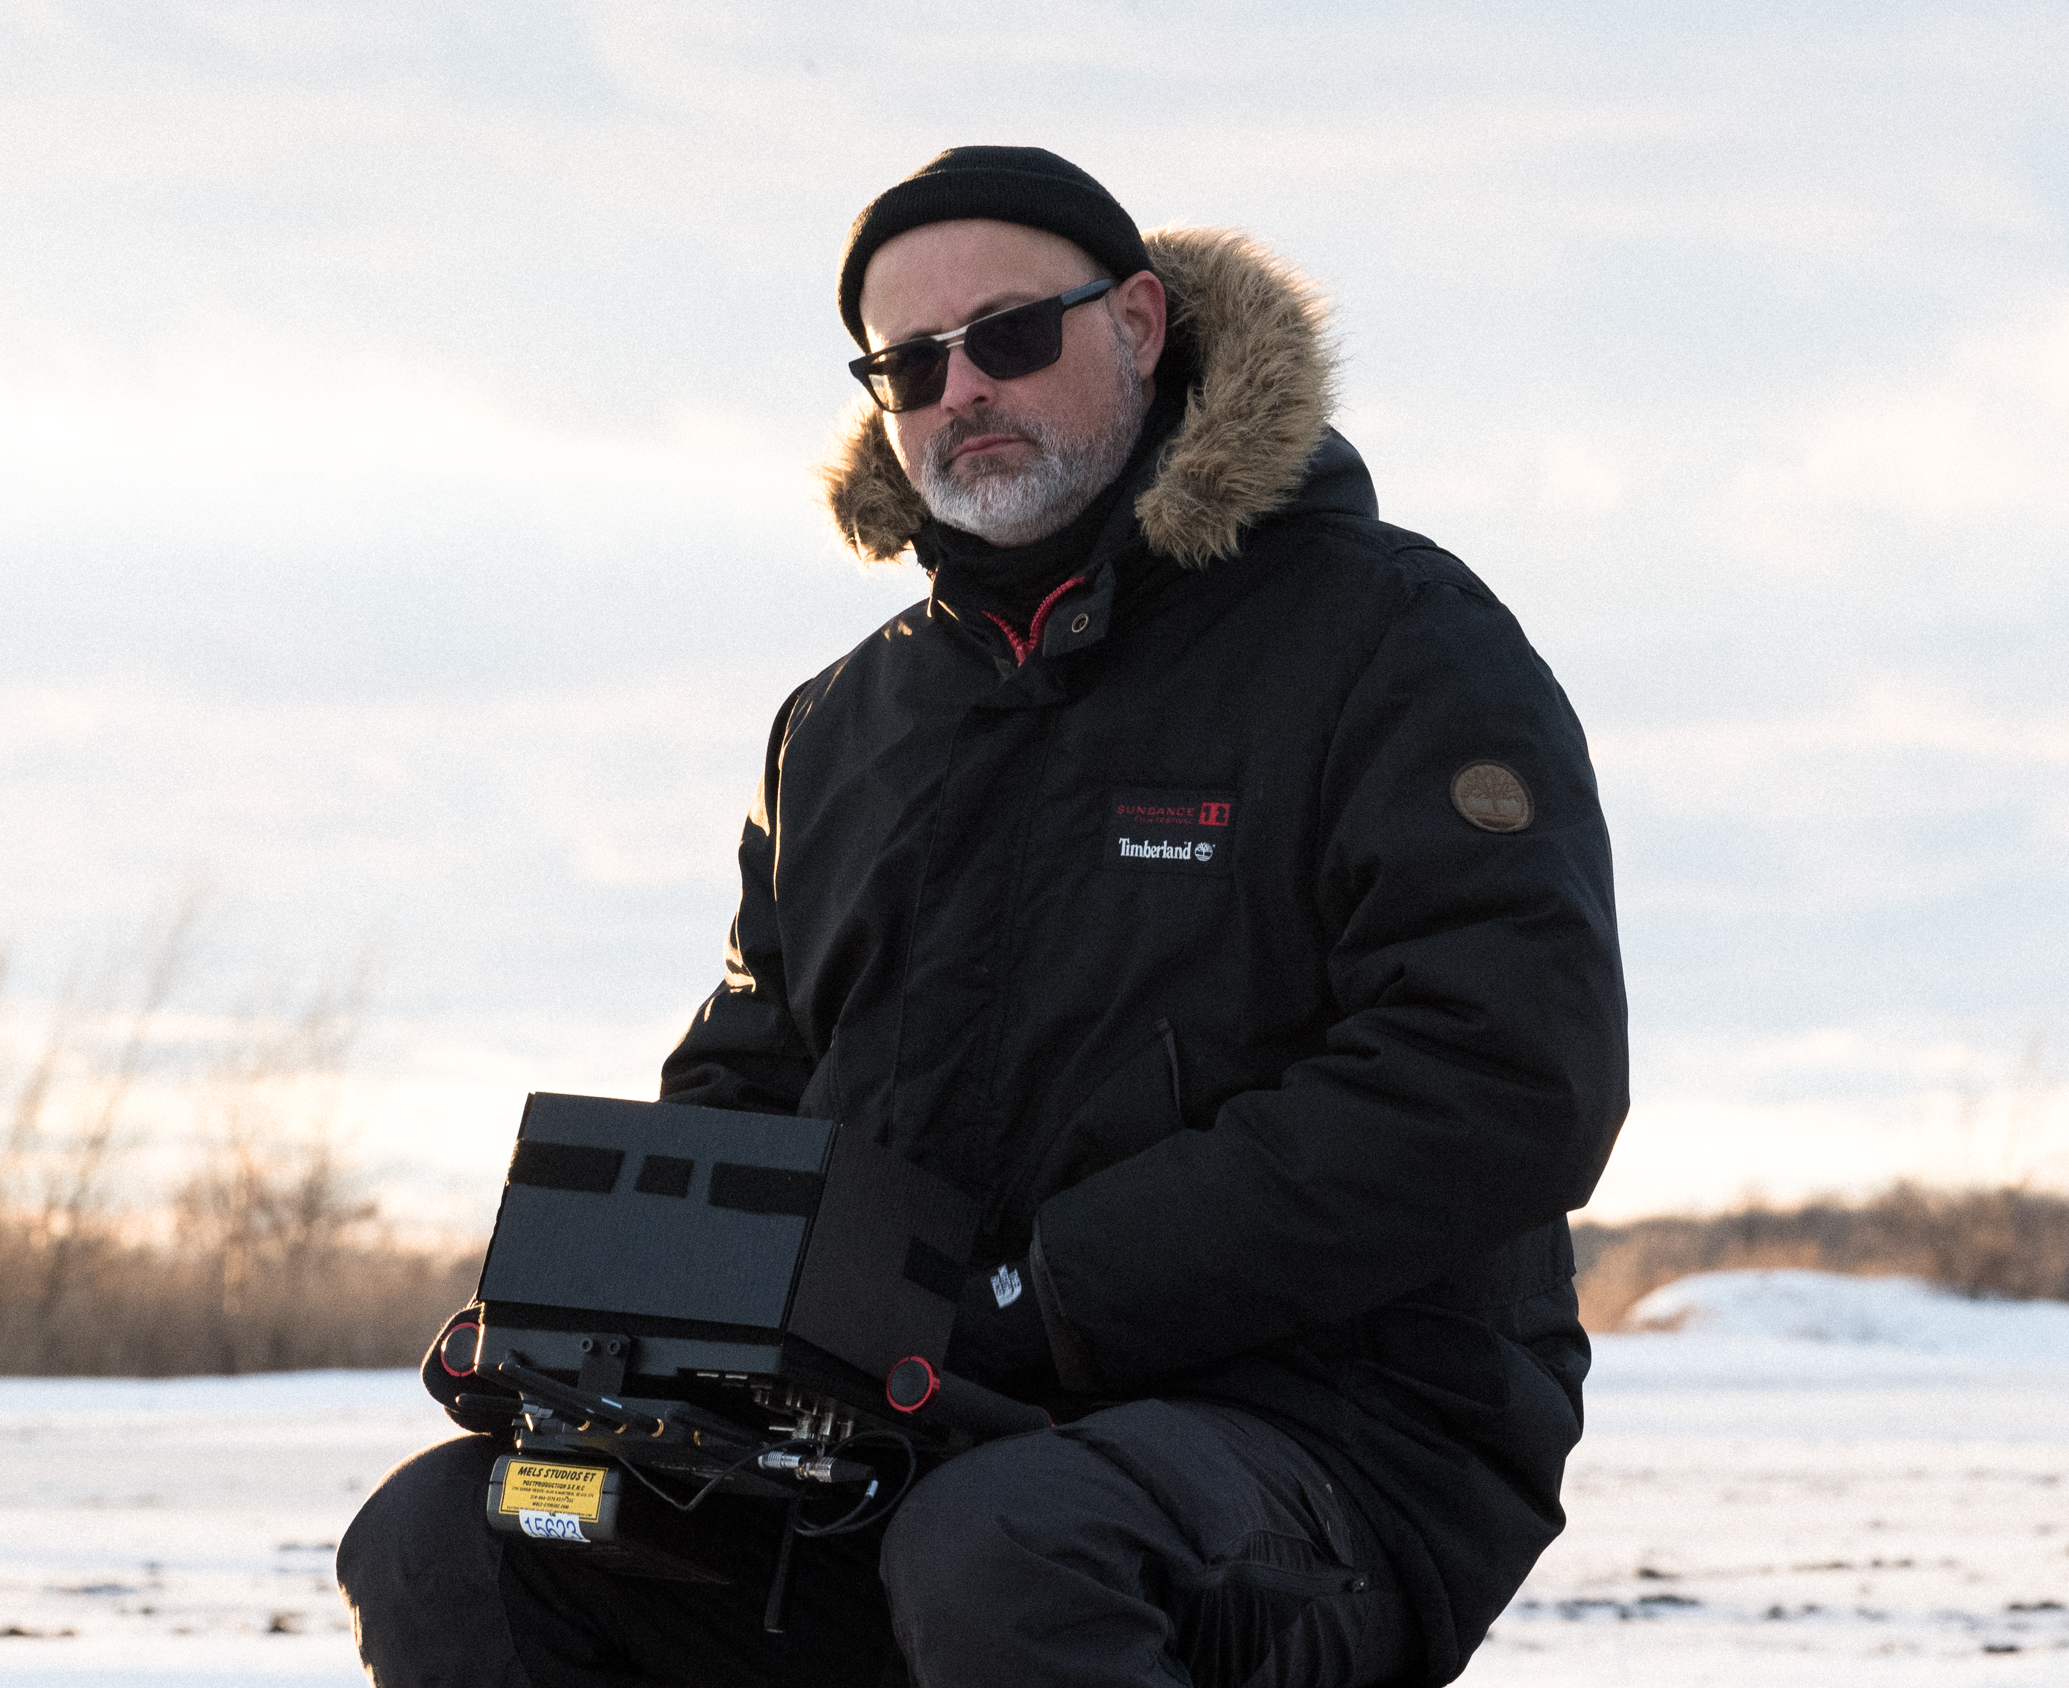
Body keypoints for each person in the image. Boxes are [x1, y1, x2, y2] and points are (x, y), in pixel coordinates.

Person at [340, 145, 1628, 1688]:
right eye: (911, 362)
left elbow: (1505, 1078)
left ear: (1140, 326)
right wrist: (642, 1322)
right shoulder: (842, 724)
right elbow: (753, 1081)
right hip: (905, 1420)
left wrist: (1042, 1298)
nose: (964, 388)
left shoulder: (1394, 646)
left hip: (1329, 1430)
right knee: (463, 1535)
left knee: (1015, 1546)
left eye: (1012, 335)